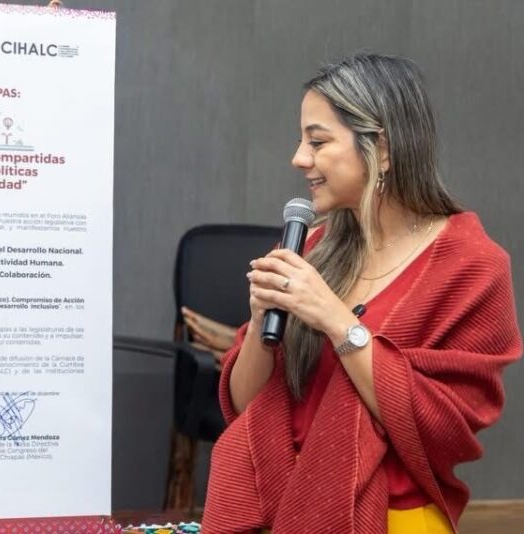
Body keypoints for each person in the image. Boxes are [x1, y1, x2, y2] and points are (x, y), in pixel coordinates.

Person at [201, 52, 522, 534]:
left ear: (383, 149)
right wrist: (261, 324)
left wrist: (337, 321)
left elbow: (447, 429)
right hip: (283, 512)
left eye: (317, 141)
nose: (299, 158)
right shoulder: (314, 247)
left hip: (396, 518)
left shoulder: (472, 264)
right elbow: (247, 408)